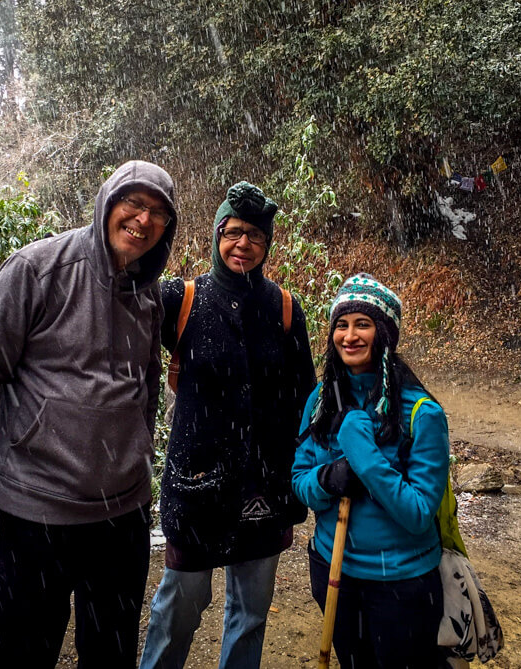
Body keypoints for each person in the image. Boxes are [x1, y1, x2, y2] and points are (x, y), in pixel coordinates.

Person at [0, 160, 177, 669]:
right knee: (23, 655)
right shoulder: (37, 270)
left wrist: (139, 455)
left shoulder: (149, 293)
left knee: (111, 654)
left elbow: (144, 386)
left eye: (158, 212)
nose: (142, 219)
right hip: (37, 513)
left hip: (122, 515)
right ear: (107, 202)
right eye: (133, 203)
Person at [139, 181, 316, 669]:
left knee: (250, 615)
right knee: (178, 608)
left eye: (256, 237)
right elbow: (119, 334)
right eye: (234, 233)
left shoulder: (282, 306)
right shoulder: (182, 297)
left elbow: (308, 395)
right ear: (217, 235)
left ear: (268, 245)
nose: (244, 245)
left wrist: (308, 469)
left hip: (265, 488)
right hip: (197, 486)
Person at [291, 274, 448, 669]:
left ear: (384, 334)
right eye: (341, 325)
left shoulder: (421, 413)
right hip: (334, 570)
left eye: (362, 324)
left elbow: (417, 514)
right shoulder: (320, 401)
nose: (350, 336)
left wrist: (363, 457)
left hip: (403, 585)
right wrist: (329, 479)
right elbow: (299, 481)